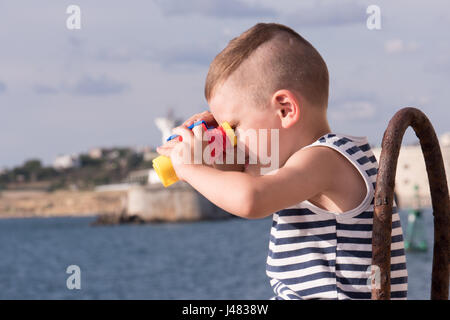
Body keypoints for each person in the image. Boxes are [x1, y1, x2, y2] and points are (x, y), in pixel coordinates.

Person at [156, 23, 408, 299]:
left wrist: (190, 168)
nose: (232, 140)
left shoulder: (327, 160)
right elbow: (240, 177)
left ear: (285, 109)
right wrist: (206, 149)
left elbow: (251, 198)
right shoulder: (296, 168)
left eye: (234, 128)